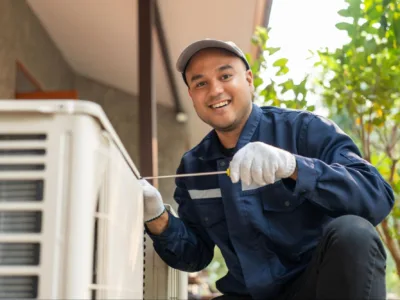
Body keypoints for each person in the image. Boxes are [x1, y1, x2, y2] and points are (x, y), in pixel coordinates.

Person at [139, 39, 394, 300]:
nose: (215, 90)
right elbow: (195, 256)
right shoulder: (193, 166)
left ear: (249, 80)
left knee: (353, 233)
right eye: (200, 83)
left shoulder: (305, 130)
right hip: (248, 295)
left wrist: (294, 166)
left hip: (315, 289)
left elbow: (376, 196)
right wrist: (157, 217)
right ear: (192, 95)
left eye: (225, 75)